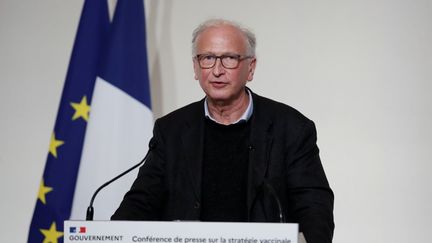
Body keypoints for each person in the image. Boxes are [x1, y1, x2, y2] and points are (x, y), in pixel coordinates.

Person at [112, 19, 334, 243]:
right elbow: (139, 205)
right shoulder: (171, 130)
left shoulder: (291, 129)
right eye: (207, 58)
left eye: (229, 58)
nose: (217, 70)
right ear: (196, 68)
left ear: (251, 67)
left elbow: (315, 211)